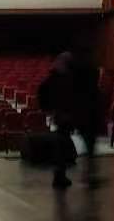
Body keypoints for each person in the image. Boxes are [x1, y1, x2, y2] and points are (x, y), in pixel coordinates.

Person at [40, 48, 101, 189]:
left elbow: (44, 91)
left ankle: (61, 176)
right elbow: (91, 91)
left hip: (67, 112)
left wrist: (51, 109)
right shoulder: (81, 72)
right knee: (86, 143)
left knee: (63, 145)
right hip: (77, 112)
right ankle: (87, 175)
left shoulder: (57, 75)